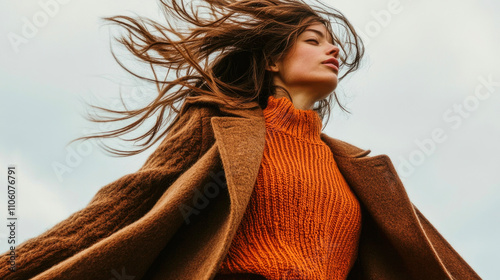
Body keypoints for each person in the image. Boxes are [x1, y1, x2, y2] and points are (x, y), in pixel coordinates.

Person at [0, 0, 481, 279]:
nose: (331, 49)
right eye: (313, 39)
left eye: (331, 42)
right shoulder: (220, 125)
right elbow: (121, 207)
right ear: (273, 60)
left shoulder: (351, 167)